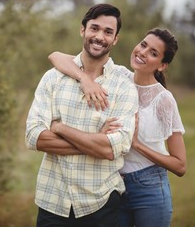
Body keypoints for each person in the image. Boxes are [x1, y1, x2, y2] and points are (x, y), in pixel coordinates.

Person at [48, 27, 187, 227]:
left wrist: (137, 145)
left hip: (149, 187)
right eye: (143, 45)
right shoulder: (118, 76)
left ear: (162, 65)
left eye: (153, 53)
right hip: (114, 184)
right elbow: (56, 56)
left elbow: (180, 165)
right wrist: (85, 79)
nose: (143, 52)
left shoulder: (164, 100)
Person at [25, 3, 139, 227]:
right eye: (94, 28)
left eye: (108, 32)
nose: (99, 36)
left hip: (102, 205)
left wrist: (60, 128)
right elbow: (34, 136)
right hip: (52, 202)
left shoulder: (124, 87)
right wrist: (94, 142)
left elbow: (114, 148)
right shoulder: (52, 78)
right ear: (82, 30)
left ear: (115, 39)